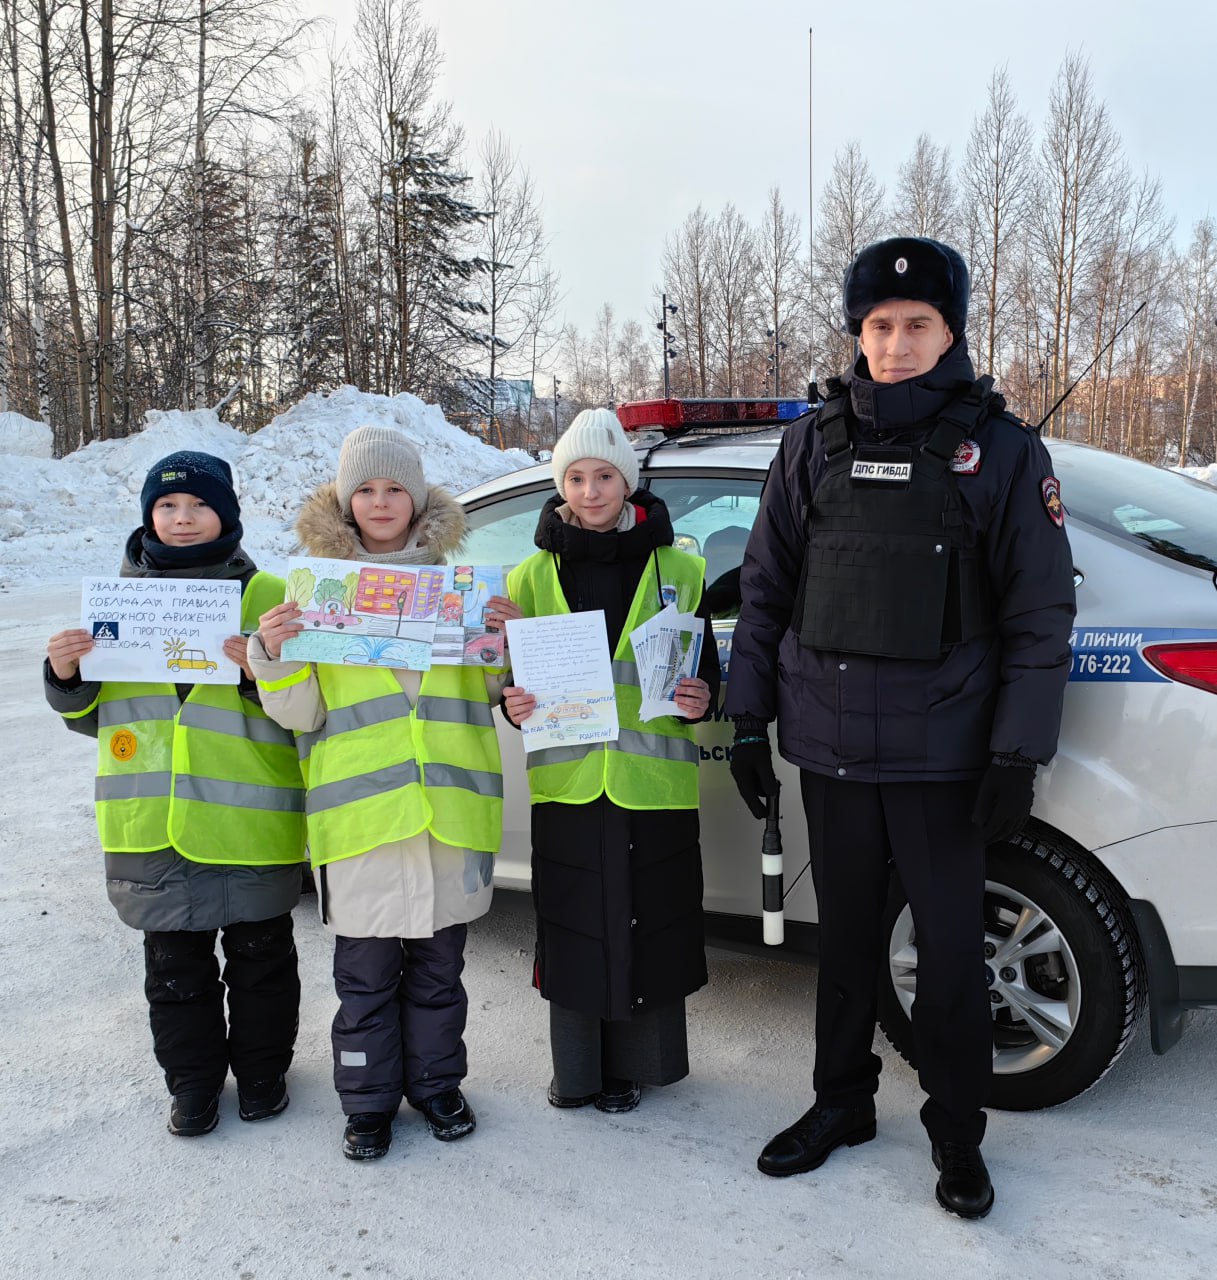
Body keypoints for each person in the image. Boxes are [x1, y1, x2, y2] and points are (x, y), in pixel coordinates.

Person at [725, 237, 1076, 1219]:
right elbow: (763, 593)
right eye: (877, 325)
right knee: (840, 946)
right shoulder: (810, 444)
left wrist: (1016, 749)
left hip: (941, 755)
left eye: (915, 323)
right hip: (830, 748)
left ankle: (956, 1135)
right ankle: (839, 1104)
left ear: (949, 329)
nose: (893, 343)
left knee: (951, 958)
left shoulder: (999, 451)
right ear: (857, 332)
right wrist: (748, 717)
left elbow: (1037, 613)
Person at [250, 423, 519, 1161]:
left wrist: (513, 641)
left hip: (449, 818)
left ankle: (436, 1086)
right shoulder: (314, 592)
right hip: (362, 820)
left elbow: (501, 692)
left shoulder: (463, 591)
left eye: (393, 487)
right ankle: (366, 1103)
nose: (379, 501)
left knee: (439, 975)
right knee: (364, 981)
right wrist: (271, 654)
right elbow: (299, 712)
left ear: (417, 497)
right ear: (343, 501)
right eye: (363, 489)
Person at [44, 452, 306, 1138]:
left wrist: (261, 669)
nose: (183, 519)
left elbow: (305, 710)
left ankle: (261, 1075)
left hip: (249, 822)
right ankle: (191, 1085)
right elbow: (96, 718)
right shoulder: (119, 600)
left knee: (262, 964)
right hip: (151, 821)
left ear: (228, 513)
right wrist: (66, 674)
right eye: (167, 507)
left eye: (198, 505)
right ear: (147, 518)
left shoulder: (268, 596)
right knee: (174, 971)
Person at [502, 408, 721, 1113]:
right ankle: (579, 1072)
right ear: (559, 485)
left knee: (647, 925)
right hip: (567, 783)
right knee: (574, 927)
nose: (589, 491)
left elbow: (704, 676)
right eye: (574, 477)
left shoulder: (680, 568)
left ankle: (639, 1068)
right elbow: (504, 683)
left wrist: (699, 699)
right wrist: (510, 704)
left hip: (652, 783)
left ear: (626, 482)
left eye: (602, 476)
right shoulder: (527, 577)